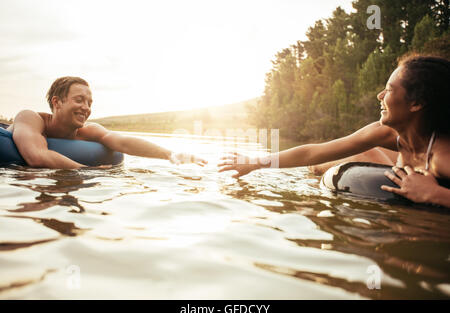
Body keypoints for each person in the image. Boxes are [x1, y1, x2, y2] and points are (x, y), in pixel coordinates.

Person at [218, 54, 450, 208]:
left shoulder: (443, 157)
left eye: (389, 90)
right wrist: (254, 162)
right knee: (327, 163)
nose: (380, 96)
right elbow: (313, 152)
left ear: (416, 103)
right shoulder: (386, 134)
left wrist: (435, 194)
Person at [6, 76, 207, 169]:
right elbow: (36, 157)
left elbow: (122, 142)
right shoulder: (30, 118)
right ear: (57, 103)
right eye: (79, 100)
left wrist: (170, 154)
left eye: (89, 102)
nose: (86, 108)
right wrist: (88, 171)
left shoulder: (88, 131)